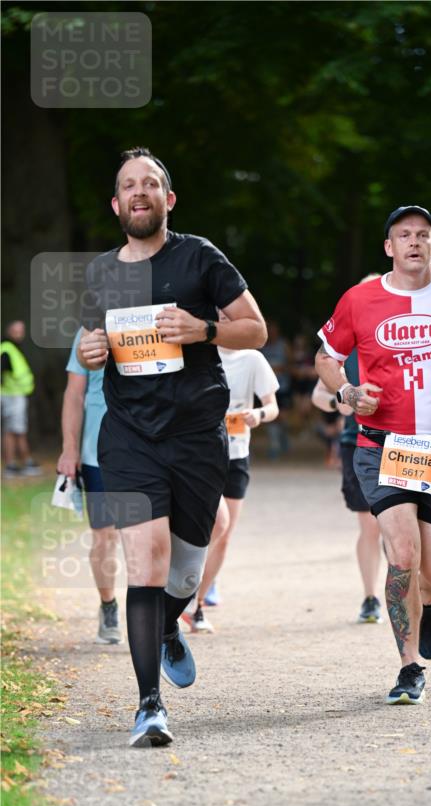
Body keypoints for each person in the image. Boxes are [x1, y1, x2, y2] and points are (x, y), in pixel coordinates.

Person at [77, 147, 266, 747]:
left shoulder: (200, 255)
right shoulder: (102, 273)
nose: (140, 192)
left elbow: (256, 328)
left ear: (168, 199)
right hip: (129, 436)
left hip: (195, 435)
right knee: (146, 561)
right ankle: (148, 707)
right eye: (129, 185)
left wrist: (204, 329)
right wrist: (89, 351)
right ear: (116, 204)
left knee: (189, 561)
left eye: (151, 184)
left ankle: (165, 629)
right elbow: (88, 340)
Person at [315, 206, 431, 705]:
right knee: (402, 554)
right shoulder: (360, 299)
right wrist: (349, 394)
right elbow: (325, 359)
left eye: (423, 235)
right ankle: (409, 667)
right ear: (389, 247)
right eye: (404, 235)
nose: (414, 242)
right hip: (383, 447)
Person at [182, 338, 279, 632]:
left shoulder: (252, 359)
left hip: (236, 455)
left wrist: (258, 415)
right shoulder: (197, 353)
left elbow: (272, 406)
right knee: (207, 527)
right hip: (201, 455)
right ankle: (181, 590)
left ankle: (196, 605)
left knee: (224, 535)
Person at [57, 328, 122, 643]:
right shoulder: (88, 332)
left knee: (156, 537)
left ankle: (158, 613)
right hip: (97, 454)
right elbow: (74, 393)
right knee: (106, 537)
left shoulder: (153, 318)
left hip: (150, 451)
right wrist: (70, 449)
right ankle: (108, 606)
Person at [312, 351, 384, 625]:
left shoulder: (402, 342)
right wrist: (338, 400)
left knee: (401, 525)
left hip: (400, 441)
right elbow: (318, 395)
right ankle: (370, 597)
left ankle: (411, 594)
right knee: (371, 526)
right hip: (358, 443)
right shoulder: (345, 352)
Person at [1, 320, 42, 477]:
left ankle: (17, 463)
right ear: (9, 331)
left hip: (15, 395)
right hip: (12, 396)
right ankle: (22, 462)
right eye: (17, 331)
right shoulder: (7, 349)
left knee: (14, 429)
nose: (20, 334)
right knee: (15, 430)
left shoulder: (13, 348)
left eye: (22, 331)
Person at [261, 320, 291, 459]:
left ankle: (283, 437)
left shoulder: (283, 345)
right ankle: (274, 446)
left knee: (282, 417)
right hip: (267, 387)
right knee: (271, 417)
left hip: (283, 385)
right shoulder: (261, 346)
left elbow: (291, 365)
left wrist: (279, 368)